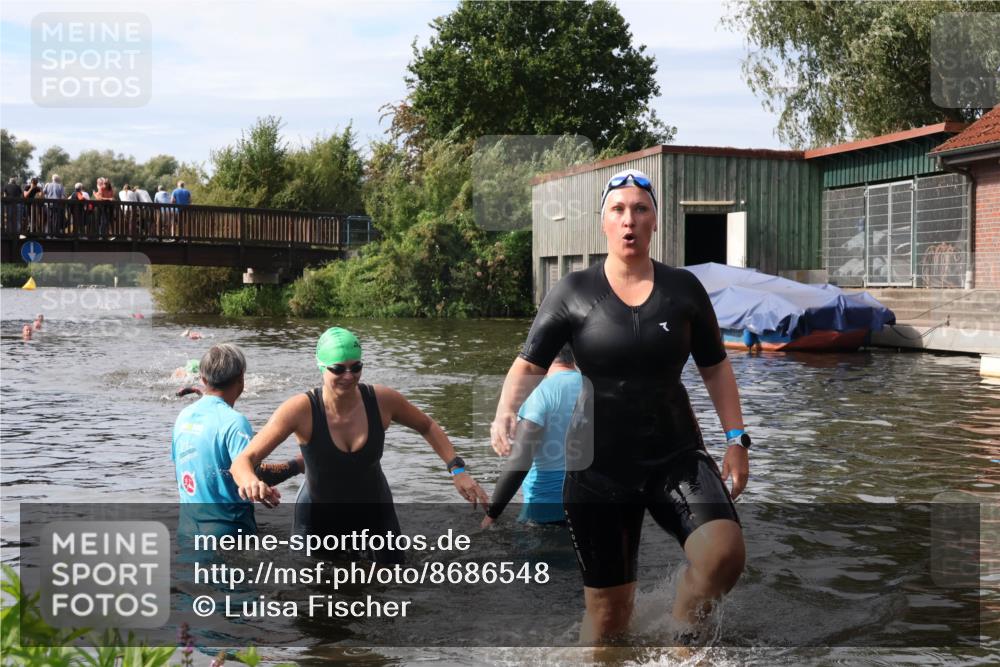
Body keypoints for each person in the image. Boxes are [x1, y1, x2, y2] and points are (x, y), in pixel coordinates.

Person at [490, 169, 750, 645]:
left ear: (655, 222)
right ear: (604, 223)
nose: (630, 219)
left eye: (641, 209)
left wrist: (736, 439)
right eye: (619, 210)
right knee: (609, 620)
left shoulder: (683, 290)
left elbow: (715, 367)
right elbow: (528, 362)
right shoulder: (572, 291)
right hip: (598, 469)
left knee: (724, 554)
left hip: (675, 455)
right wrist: (506, 408)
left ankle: (681, 636)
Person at [231, 327, 490, 562]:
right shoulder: (301, 410)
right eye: (338, 369)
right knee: (315, 599)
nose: (349, 376)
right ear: (321, 367)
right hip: (318, 518)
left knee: (394, 591)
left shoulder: (381, 400)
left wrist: (457, 470)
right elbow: (243, 462)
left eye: (356, 367)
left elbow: (427, 426)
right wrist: (250, 482)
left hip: (375, 510)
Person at [172, 344, 303, 539]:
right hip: (230, 533)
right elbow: (252, 471)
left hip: (188, 531)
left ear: (203, 379)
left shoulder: (183, 417)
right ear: (241, 378)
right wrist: (298, 464)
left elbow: (193, 468)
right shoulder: (234, 422)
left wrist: (259, 488)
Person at [482, 343, 581, 527]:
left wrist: (491, 515)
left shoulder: (540, 393)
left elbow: (520, 461)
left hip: (545, 513)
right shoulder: (595, 388)